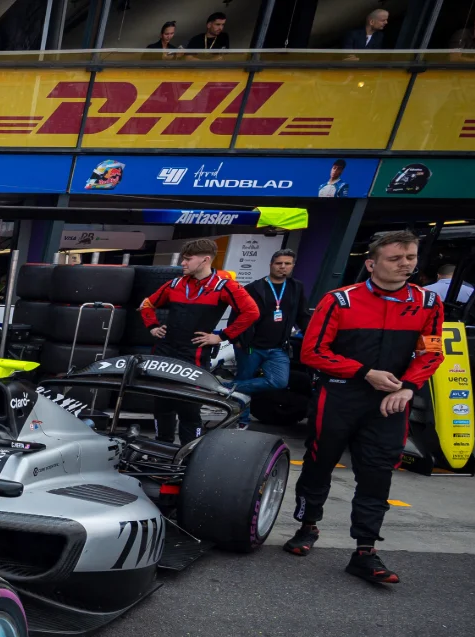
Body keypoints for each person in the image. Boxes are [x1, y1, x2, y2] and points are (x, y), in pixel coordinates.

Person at [285, 231, 443, 585]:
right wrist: (364, 372)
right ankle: (307, 526)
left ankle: (365, 551)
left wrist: (409, 387)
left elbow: (432, 352)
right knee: (319, 463)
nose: (405, 264)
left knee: (377, 474)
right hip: (339, 397)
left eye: (410, 258)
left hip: (391, 403)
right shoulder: (339, 300)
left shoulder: (429, 302)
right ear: (371, 264)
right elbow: (312, 352)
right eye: (395, 258)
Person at [138, 238, 260, 443]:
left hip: (194, 354)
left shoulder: (224, 286)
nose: (183, 263)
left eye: (188, 259)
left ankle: (188, 454)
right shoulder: (175, 283)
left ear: (205, 260)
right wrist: (153, 327)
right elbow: (147, 304)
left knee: (189, 407)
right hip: (166, 350)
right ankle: (161, 448)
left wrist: (221, 336)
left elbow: (252, 312)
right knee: (162, 404)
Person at [228, 249, 306, 427]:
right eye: (279, 263)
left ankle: (226, 387)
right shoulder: (254, 288)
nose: (283, 267)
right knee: (245, 381)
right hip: (250, 346)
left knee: (279, 381)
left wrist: (311, 335)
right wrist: (236, 339)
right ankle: (242, 421)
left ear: (293, 266)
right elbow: (237, 314)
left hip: (278, 347)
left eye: (287, 264)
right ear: (271, 264)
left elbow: (302, 315)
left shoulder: (296, 287)